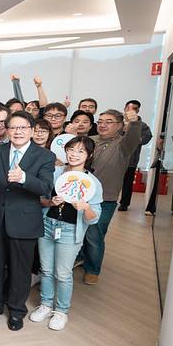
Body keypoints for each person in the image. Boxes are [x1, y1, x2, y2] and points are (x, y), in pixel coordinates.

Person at [0, 111, 56, 331]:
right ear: (6, 130)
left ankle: (16, 310)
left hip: (24, 222)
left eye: (23, 128)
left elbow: (46, 189)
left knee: (20, 270)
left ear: (31, 130)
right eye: (13, 127)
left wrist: (24, 178)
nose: (18, 132)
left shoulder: (44, 156)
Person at [29, 136, 102, 331]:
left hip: (70, 231)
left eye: (80, 151)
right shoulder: (55, 173)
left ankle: (61, 311)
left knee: (62, 273)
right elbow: (40, 199)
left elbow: (93, 218)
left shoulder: (91, 182)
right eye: (71, 149)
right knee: (46, 269)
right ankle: (45, 304)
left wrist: (85, 207)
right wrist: (50, 202)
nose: (74, 154)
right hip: (47, 225)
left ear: (89, 155)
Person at [82, 109, 141, 285]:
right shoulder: (89, 141)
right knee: (79, 231)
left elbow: (134, 137)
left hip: (105, 198)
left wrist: (135, 122)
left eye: (108, 121)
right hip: (81, 195)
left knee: (95, 234)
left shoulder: (123, 145)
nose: (102, 125)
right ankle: (80, 258)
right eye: (100, 121)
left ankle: (92, 269)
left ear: (120, 126)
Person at [118, 100, 153, 211]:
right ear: (124, 108)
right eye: (128, 108)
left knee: (128, 183)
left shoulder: (142, 125)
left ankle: (124, 203)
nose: (131, 110)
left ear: (138, 110)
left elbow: (147, 137)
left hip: (131, 159)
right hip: (115, 157)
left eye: (134, 108)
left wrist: (135, 139)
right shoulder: (117, 122)